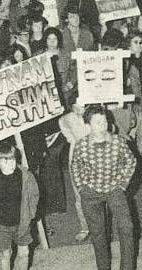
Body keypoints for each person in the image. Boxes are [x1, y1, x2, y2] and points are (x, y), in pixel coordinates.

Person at [70, 105, 137, 270]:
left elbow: (131, 161)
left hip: (114, 189)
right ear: (88, 126)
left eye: (104, 121)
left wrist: (122, 184)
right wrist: (82, 187)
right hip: (91, 193)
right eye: (97, 122)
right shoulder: (81, 145)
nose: (103, 125)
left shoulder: (118, 142)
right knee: (98, 233)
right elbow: (75, 166)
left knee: (127, 227)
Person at [0, 141, 40, 270]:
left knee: (24, 253)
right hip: (2, 226)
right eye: (6, 161)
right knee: (6, 254)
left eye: (12, 160)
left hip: (22, 223)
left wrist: (30, 214)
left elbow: (34, 196)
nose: (11, 164)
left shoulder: (26, 176)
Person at [59, 104, 91, 242]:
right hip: (77, 161)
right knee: (80, 197)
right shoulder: (69, 118)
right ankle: (85, 227)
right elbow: (62, 122)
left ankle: (102, 228)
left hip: (95, 159)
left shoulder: (94, 116)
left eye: (84, 105)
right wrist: (71, 139)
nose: (81, 108)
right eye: (77, 105)